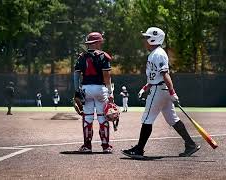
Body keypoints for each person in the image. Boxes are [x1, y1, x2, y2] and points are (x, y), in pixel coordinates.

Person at [121, 27, 200, 158]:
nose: (144, 40)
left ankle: (139, 149)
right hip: (160, 88)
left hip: (159, 90)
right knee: (172, 119)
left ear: (154, 39)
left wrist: (172, 92)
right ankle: (190, 144)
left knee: (147, 119)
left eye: (147, 38)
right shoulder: (155, 53)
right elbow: (155, 76)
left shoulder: (158, 54)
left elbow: (165, 74)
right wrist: (145, 87)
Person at [74, 32, 114, 153]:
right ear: (96, 43)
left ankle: (87, 146)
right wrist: (110, 92)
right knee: (103, 118)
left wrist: (76, 91)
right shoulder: (103, 56)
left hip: (86, 89)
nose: (101, 43)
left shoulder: (81, 57)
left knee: (88, 117)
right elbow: (107, 76)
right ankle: (105, 146)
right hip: (100, 89)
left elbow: (76, 75)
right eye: (100, 41)